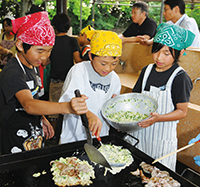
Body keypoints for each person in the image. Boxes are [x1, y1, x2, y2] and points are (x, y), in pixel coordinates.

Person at [0, 11, 88, 155]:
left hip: (34, 132)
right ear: (21, 45)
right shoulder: (13, 72)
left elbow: (34, 97)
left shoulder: (32, 65)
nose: (44, 56)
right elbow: (29, 104)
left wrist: (42, 118)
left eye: (49, 51)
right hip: (15, 139)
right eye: (40, 50)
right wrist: (67, 107)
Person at [125, 23, 195, 171]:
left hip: (161, 142)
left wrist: (158, 118)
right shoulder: (147, 70)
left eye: (166, 53)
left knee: (158, 181)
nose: (159, 57)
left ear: (179, 53)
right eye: (156, 51)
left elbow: (182, 111)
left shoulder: (180, 78)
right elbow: (136, 98)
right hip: (139, 136)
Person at [59, 30, 122, 144]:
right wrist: (89, 115)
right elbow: (67, 101)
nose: (107, 69)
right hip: (74, 137)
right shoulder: (79, 70)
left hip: (100, 136)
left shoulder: (114, 78)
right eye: (103, 63)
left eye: (114, 64)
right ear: (90, 56)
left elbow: (111, 106)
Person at [48, 13, 83, 133]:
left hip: (55, 80)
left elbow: (45, 61)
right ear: (68, 27)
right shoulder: (73, 41)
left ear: (54, 27)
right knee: (69, 107)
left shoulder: (52, 41)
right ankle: (65, 132)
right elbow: (78, 60)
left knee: (53, 107)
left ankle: (52, 135)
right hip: (69, 81)